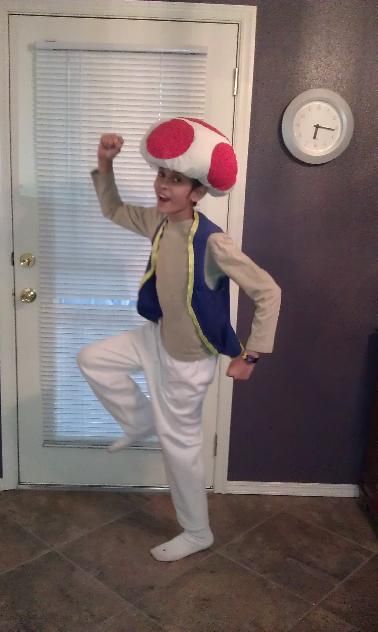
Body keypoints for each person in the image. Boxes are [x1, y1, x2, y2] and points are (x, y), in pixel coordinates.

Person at [77, 117, 281, 562]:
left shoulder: (213, 242)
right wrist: (104, 164)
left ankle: (197, 530)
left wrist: (252, 354)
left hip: (188, 361)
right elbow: (113, 209)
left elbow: (267, 291)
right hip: (155, 337)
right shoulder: (157, 221)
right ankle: (139, 420)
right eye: (161, 176)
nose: (162, 186)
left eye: (175, 180)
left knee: (181, 450)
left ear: (198, 191)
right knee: (93, 358)